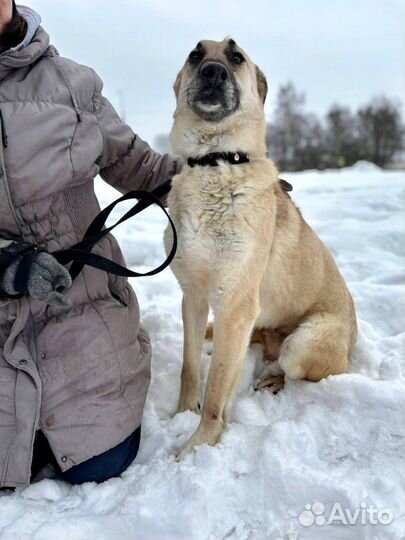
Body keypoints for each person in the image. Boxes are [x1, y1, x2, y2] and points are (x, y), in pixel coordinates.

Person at [0, 1, 178, 487]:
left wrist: (222, 178)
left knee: (99, 463)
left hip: (83, 312)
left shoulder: (73, 84)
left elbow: (144, 169)